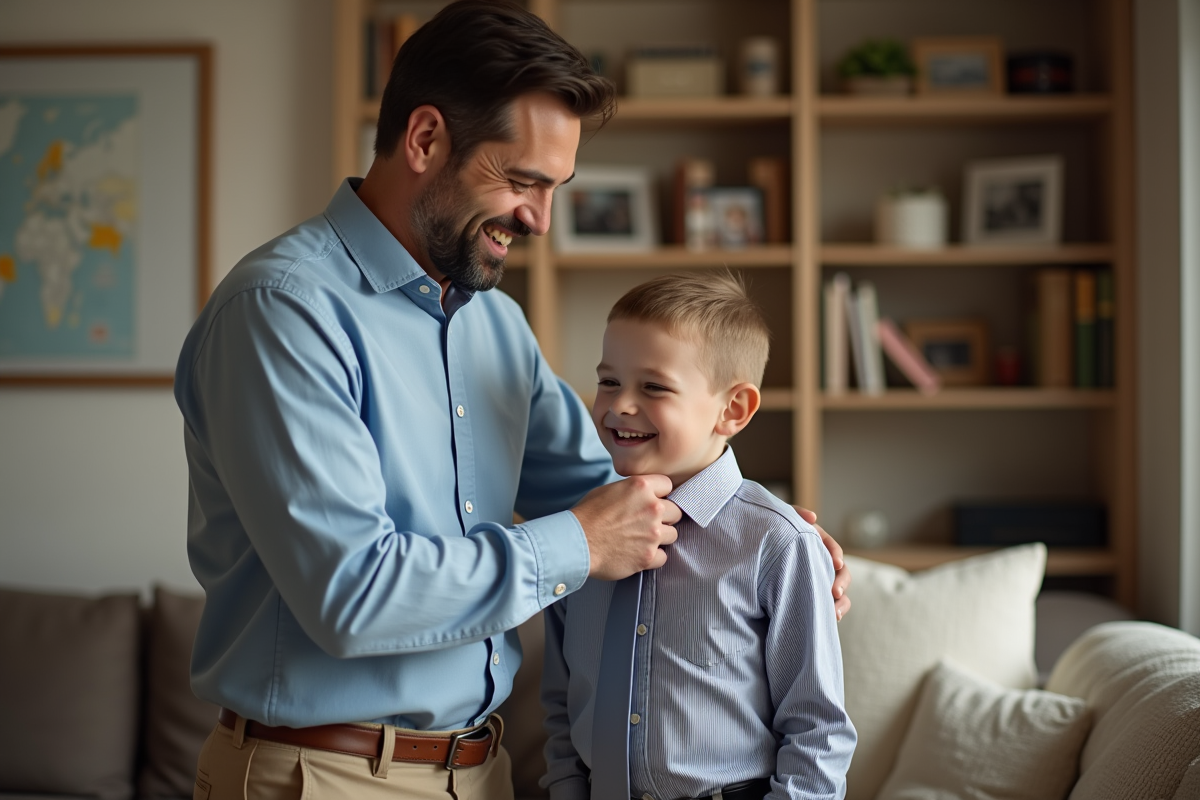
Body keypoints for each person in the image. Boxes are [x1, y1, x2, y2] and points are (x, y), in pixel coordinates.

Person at [173, 2, 850, 797]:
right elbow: (351, 594)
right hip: (323, 775)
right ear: (425, 140)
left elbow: (625, 487)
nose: (539, 219)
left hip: (481, 773)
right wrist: (576, 545)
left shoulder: (492, 322)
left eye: (555, 187)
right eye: (523, 181)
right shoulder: (283, 311)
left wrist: (774, 543)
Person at [541, 272, 857, 800]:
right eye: (609, 381)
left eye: (654, 387)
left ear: (733, 409)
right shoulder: (575, 536)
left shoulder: (777, 544)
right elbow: (561, 703)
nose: (619, 405)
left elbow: (817, 730)